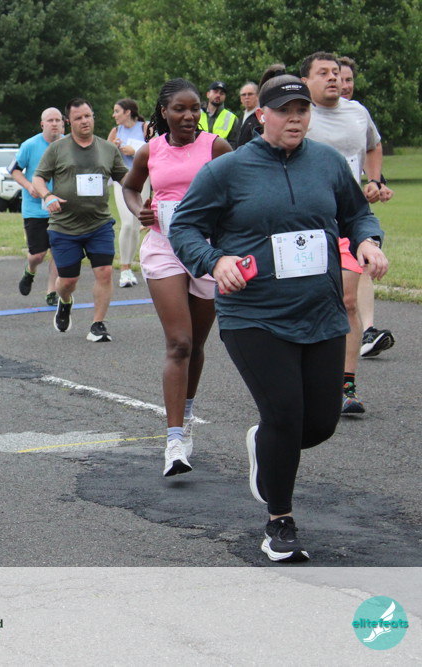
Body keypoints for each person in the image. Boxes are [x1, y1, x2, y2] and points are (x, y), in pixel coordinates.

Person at [169, 75, 388, 563]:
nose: (295, 119)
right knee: (285, 415)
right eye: (285, 110)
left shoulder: (328, 163)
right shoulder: (227, 170)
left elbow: (357, 215)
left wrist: (368, 242)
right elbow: (185, 227)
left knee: (321, 423)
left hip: (320, 311)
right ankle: (279, 522)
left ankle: (266, 443)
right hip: (255, 314)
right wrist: (214, 262)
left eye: (302, 110)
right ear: (261, 115)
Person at [122, 79, 232, 476]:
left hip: (206, 252)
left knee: (196, 345)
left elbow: (241, 188)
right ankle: (173, 442)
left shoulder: (217, 147)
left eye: (195, 108)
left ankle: (186, 417)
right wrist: (140, 209)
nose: (189, 115)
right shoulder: (150, 150)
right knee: (179, 342)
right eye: (180, 109)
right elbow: (130, 188)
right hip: (164, 247)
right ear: (164, 112)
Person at [300, 51, 394, 415]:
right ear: (306, 81)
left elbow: (373, 145)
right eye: (323, 73)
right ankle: (302, 379)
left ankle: (345, 386)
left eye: (336, 72)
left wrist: (374, 180)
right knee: (307, 301)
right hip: (304, 225)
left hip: (347, 222)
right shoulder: (300, 115)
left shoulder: (357, 113)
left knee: (347, 301)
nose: (333, 78)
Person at [32, 97, 128, 341]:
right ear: (69, 122)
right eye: (78, 118)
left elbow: (125, 179)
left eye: (88, 116)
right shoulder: (57, 149)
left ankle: (98, 324)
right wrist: (48, 196)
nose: (84, 121)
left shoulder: (108, 149)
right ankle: (65, 301)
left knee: (105, 271)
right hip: (64, 226)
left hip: (99, 224)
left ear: (93, 117)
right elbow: (38, 178)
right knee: (67, 281)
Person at [12, 107, 63, 305]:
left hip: (60, 207)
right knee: (38, 255)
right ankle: (30, 270)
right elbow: (14, 170)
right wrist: (28, 185)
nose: (54, 124)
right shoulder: (30, 145)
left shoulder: (68, 144)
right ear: (42, 124)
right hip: (35, 208)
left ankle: (52, 292)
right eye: (50, 120)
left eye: (58, 120)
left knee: (58, 251)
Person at [106, 98, 149, 287]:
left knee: (137, 223)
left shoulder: (145, 128)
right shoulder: (115, 131)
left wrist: (135, 151)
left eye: (117, 111)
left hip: (143, 179)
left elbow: (156, 150)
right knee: (127, 222)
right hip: (122, 180)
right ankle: (124, 269)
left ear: (128, 112)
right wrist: (114, 148)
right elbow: (105, 155)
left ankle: (131, 267)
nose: (114, 115)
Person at [197, 81, 240, 148]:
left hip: (222, 154)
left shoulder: (232, 118)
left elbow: (234, 144)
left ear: (225, 97)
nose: (218, 95)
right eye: (215, 92)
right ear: (208, 94)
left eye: (222, 93)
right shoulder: (196, 114)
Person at [236, 82, 261, 146]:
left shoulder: (261, 116)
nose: (246, 97)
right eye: (243, 95)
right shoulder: (241, 117)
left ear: (257, 96)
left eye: (250, 94)